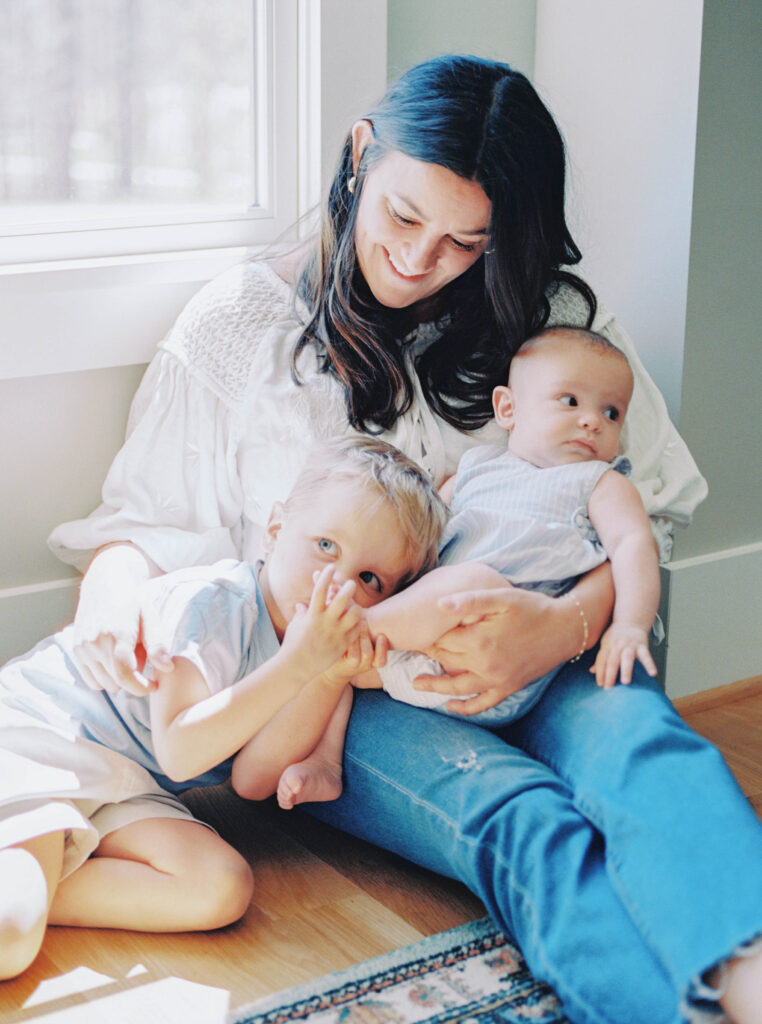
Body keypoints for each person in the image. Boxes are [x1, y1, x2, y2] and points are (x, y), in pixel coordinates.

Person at [43, 55, 762, 1023]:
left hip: (554, 645)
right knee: (520, 819)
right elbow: (140, 529)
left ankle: (748, 975)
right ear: (359, 158)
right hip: (362, 688)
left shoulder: (551, 324)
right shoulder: (239, 328)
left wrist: (558, 626)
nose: (423, 260)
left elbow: (644, 510)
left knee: (649, 754)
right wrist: (109, 608)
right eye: (403, 217)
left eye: (468, 241)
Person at [0, 438, 446, 980]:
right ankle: (27, 892)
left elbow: (253, 782)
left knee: (220, 888)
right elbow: (181, 751)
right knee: (11, 938)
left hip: (127, 783)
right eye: (326, 546)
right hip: (46, 739)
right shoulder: (212, 605)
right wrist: (299, 665)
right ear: (276, 528)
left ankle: (41, 882)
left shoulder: (324, 663)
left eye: (370, 580)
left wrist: (324, 675)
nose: (339, 585)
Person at [277, 325, 661, 811]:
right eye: (570, 401)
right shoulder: (475, 469)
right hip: (418, 650)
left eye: (611, 413)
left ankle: (330, 636)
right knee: (343, 672)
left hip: (500, 662)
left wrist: (630, 625)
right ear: (508, 409)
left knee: (462, 586)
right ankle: (325, 762)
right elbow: (421, 539)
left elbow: (634, 546)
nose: (592, 422)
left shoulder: (599, 483)